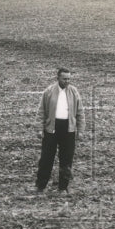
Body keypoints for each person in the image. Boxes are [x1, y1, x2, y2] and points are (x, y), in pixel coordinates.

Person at [35, 67, 84, 195]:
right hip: (51, 129)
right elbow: (41, 111)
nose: (67, 81)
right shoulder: (49, 91)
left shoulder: (74, 92)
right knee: (46, 159)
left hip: (68, 129)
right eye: (64, 79)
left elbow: (80, 113)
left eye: (69, 79)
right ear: (58, 78)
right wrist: (40, 129)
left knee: (66, 159)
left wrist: (80, 130)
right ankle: (40, 186)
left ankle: (63, 187)